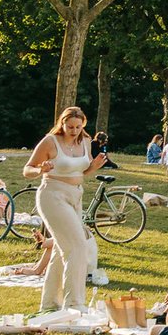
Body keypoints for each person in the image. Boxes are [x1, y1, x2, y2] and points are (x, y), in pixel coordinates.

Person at [22, 106, 108, 313]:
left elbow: (80, 171)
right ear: (62, 123)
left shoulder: (85, 141)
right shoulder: (50, 141)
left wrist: (94, 167)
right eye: (70, 127)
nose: (74, 131)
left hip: (75, 195)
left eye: (78, 127)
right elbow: (27, 170)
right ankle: (74, 304)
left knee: (62, 249)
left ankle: (50, 304)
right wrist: (40, 169)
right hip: (52, 195)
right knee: (78, 246)